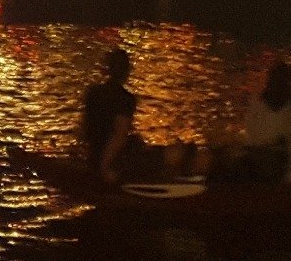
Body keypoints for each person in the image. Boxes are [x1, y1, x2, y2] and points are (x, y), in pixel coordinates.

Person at [80, 48, 204, 185]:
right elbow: (119, 135)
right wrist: (105, 166)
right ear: (126, 72)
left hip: (98, 153)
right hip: (115, 159)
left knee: (157, 149)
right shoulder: (125, 99)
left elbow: (84, 129)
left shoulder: (93, 93)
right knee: (177, 152)